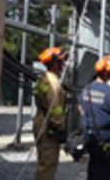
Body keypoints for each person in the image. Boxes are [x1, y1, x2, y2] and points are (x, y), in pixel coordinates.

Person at [81, 57, 110, 180]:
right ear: (107, 74)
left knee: (93, 163)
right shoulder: (109, 91)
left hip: (89, 134)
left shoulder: (87, 88)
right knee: (104, 167)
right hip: (105, 136)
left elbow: (80, 108)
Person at [33, 46, 67, 180]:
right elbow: (55, 109)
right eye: (61, 62)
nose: (63, 64)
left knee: (45, 162)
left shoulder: (44, 78)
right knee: (47, 164)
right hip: (48, 130)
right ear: (55, 64)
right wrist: (61, 128)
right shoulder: (53, 83)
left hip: (42, 124)